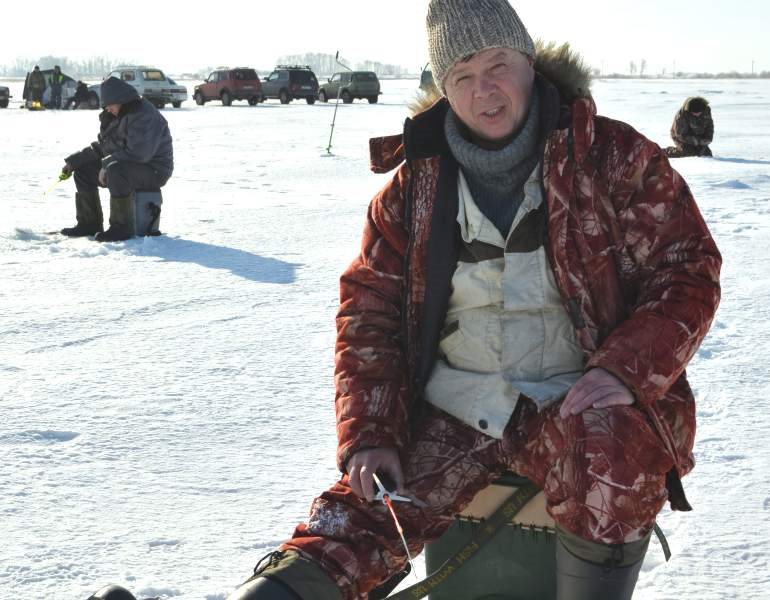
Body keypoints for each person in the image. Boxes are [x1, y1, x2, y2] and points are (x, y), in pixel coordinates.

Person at [89, 1, 721, 599]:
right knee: (362, 512)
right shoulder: (412, 186)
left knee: (611, 458)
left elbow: (687, 268)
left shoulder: (611, 156)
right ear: (444, 88)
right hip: (457, 406)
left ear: (530, 63)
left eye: (498, 65)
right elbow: (368, 313)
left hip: (576, 397)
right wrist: (368, 432)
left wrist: (626, 368)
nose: (484, 89)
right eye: (463, 75)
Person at [60, 77, 173, 242]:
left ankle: (121, 228)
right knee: (83, 171)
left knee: (115, 170)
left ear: (121, 100)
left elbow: (140, 154)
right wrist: (74, 161)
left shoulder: (144, 115)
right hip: (128, 166)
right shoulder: (119, 115)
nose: (109, 110)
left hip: (154, 170)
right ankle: (89, 224)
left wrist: (106, 164)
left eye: (110, 105)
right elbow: (104, 147)